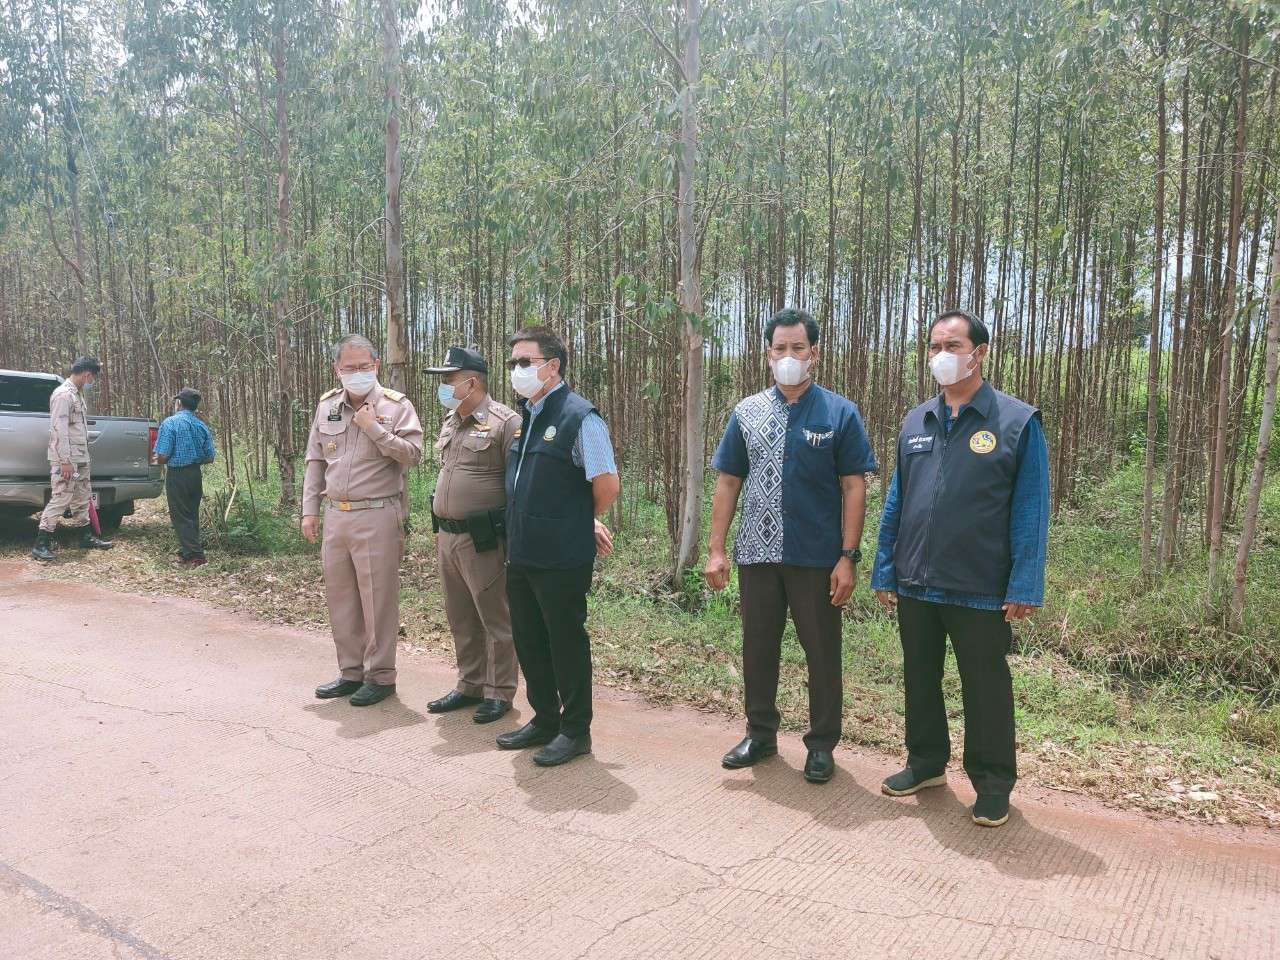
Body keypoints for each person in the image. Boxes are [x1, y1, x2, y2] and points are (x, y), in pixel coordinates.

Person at [872, 309, 1050, 828]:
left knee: (985, 686)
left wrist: (1024, 582)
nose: (941, 356)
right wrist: (885, 567)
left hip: (980, 585)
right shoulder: (917, 421)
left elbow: (1031, 508)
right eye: (934, 346)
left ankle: (992, 784)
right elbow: (897, 499)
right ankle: (926, 762)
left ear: (980, 353)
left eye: (952, 345)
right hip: (917, 580)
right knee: (919, 677)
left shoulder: (1016, 422)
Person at [705, 308, 877, 785]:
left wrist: (848, 556)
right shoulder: (746, 412)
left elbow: (854, 486)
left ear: (813, 353)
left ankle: (821, 744)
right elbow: (728, 481)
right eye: (779, 348)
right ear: (767, 354)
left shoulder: (839, 413)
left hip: (816, 557)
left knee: (821, 652)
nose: (788, 356)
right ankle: (760, 734)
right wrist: (717, 549)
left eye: (797, 347)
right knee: (758, 648)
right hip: (756, 554)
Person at [495, 325, 620, 766]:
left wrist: (579, 518)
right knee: (529, 640)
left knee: (565, 641)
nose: (516, 370)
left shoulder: (579, 417)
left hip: (562, 555)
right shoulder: (527, 417)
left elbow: (606, 484)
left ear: (552, 366)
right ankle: (545, 719)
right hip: (522, 551)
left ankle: (575, 730)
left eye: (524, 362)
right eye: (513, 362)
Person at [302, 334, 423, 707]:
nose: (357, 373)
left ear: (376, 366)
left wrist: (374, 428)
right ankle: (351, 672)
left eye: (364, 367)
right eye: (349, 367)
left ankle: (381, 676)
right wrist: (309, 510)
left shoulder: (396, 406)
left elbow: (413, 454)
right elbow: (315, 460)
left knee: (377, 599)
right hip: (336, 515)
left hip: (377, 514)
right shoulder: (327, 406)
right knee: (341, 598)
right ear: (336, 369)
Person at [424, 346, 521, 724]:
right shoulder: (451, 421)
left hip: (484, 539)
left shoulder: (505, 423)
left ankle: (498, 691)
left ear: (472, 382)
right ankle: (470, 684)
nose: (444, 387)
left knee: (495, 617)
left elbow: (517, 486)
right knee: (460, 615)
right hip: (447, 537)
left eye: (449, 379)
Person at [31, 357, 114, 562]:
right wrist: (65, 461)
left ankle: (85, 536)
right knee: (61, 497)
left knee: (82, 496)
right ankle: (41, 544)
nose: (92, 381)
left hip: (81, 457)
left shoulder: (77, 394)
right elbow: (59, 430)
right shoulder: (63, 395)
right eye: (93, 377)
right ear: (87, 374)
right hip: (67, 460)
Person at [154, 387, 216, 566]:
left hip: (177, 475)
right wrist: (193, 458)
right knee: (191, 514)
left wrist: (154, 460)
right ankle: (187, 551)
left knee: (180, 516)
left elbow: (163, 456)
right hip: (195, 474)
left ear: (179, 403)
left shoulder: (170, 423)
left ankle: (196, 556)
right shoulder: (201, 425)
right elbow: (210, 457)